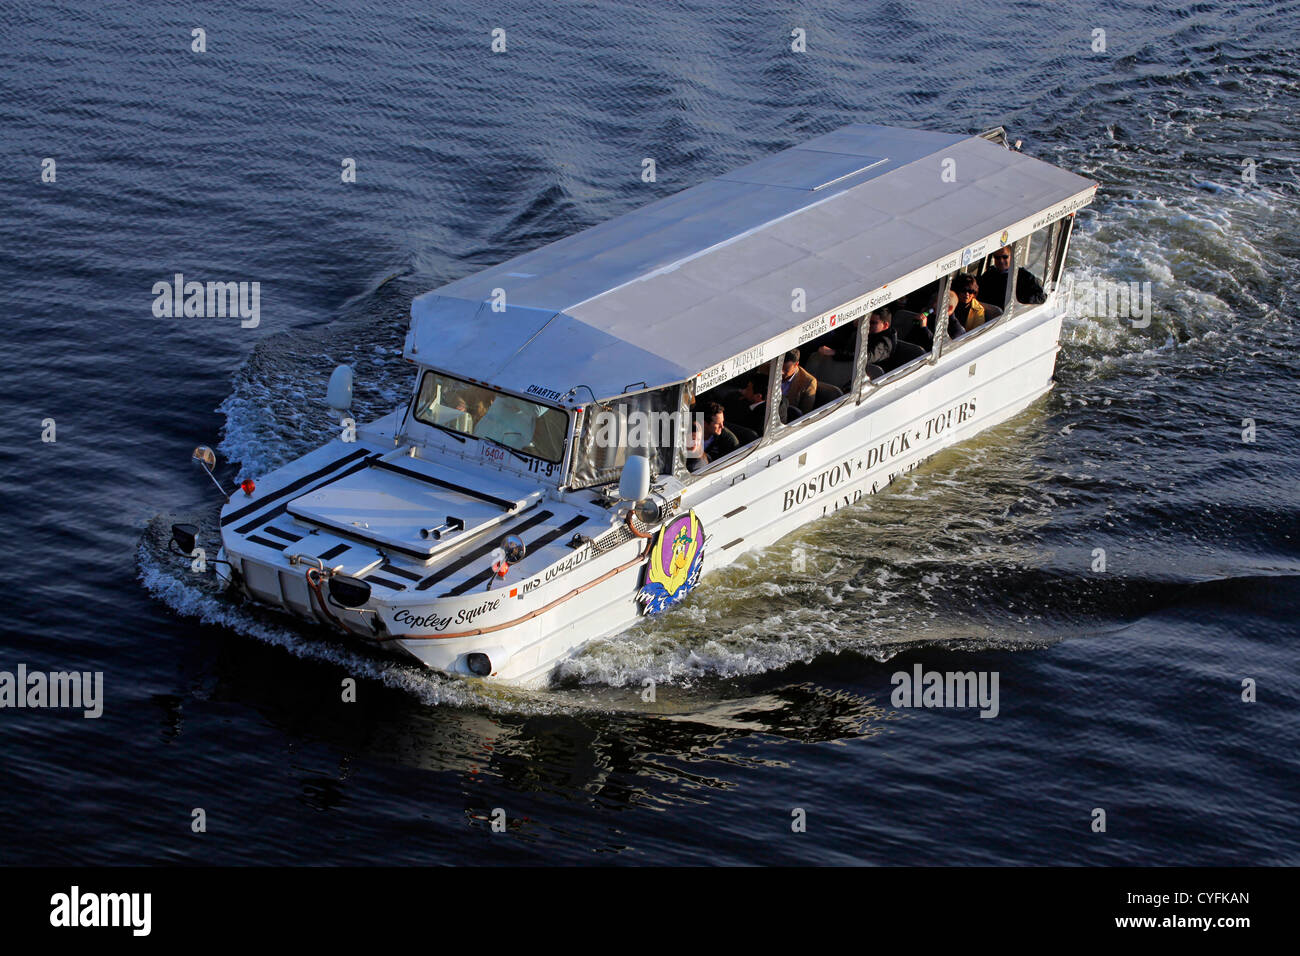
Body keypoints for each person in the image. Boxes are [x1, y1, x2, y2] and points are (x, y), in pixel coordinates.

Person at [978, 246, 1047, 307]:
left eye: (1005, 257)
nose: (1001, 261)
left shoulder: (1023, 275)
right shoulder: (989, 274)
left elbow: (1041, 297)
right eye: (997, 258)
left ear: (1011, 257)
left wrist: (1018, 299)